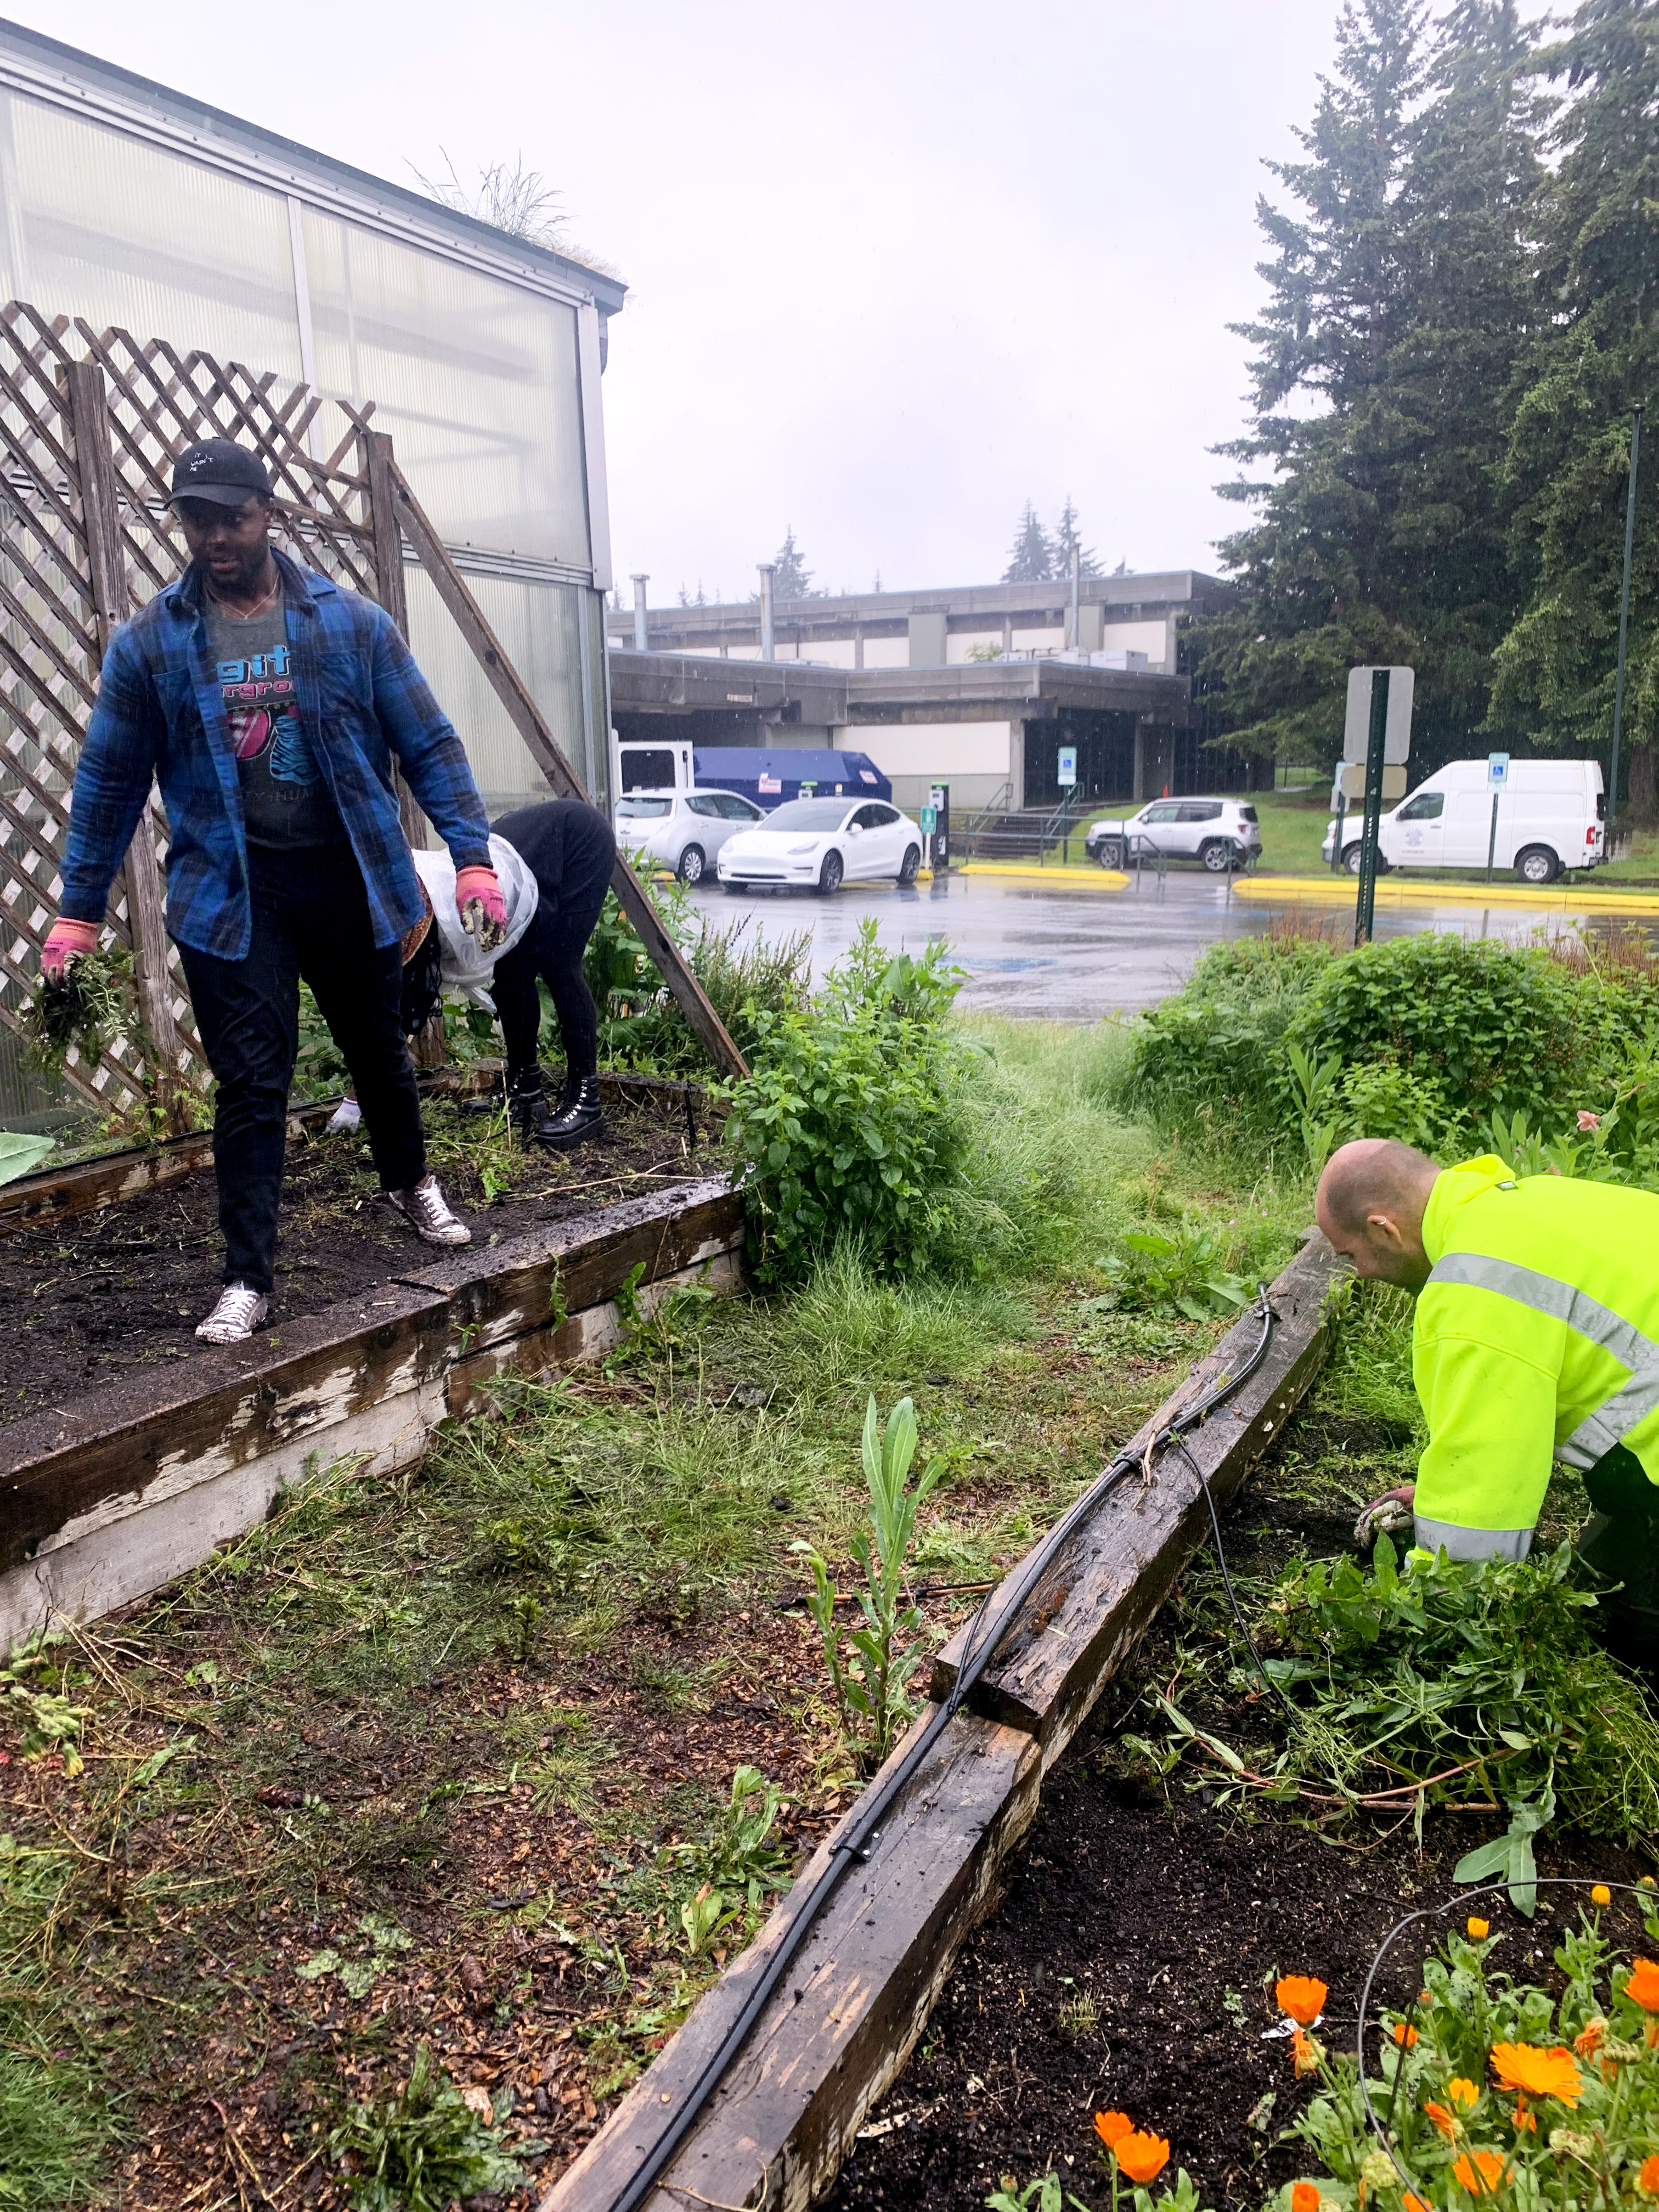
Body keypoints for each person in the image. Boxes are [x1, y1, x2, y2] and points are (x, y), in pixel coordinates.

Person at [41, 436, 507, 1345]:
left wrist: (473, 855)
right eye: (198, 519)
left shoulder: (350, 624)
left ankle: (410, 1183)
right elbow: (106, 782)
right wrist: (77, 911)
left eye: (232, 516)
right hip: (233, 891)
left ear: (269, 514)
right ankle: (247, 1277)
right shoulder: (151, 644)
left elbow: (429, 742)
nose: (216, 535)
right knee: (253, 1083)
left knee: (378, 1047)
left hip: (347, 874)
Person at [1315, 1137, 1659, 1658]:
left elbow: (1478, 1515)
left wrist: (1427, 1618)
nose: (1360, 1273)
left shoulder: (1475, 1284)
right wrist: (1434, 1494)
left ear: (1383, 1228)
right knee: (1600, 1568)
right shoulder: (1533, 1200)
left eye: (1352, 1255)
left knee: (1616, 1626)